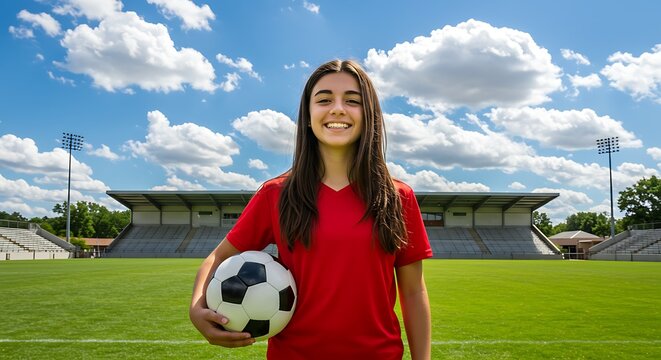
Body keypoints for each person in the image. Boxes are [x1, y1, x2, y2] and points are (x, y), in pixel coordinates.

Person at [189, 59, 432, 360]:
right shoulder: (276, 194)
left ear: (370, 115)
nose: (338, 109)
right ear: (307, 115)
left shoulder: (397, 197)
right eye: (324, 99)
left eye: (352, 101)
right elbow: (219, 257)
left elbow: (412, 292)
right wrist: (197, 306)